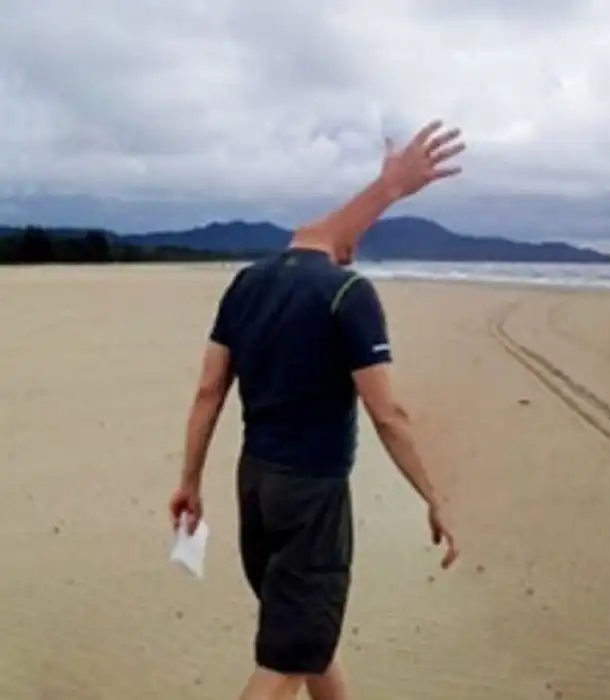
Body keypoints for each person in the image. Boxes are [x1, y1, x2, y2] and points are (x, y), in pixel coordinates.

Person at [169, 119, 465, 700]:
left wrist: (190, 483)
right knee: (288, 658)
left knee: (306, 639)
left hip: (255, 486)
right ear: (347, 249)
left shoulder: (246, 284)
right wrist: (436, 497)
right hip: (311, 496)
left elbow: (209, 391)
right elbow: (387, 414)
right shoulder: (347, 293)